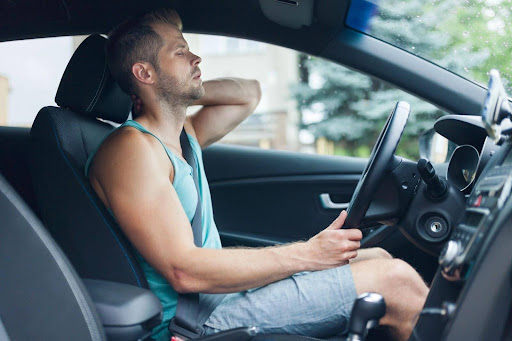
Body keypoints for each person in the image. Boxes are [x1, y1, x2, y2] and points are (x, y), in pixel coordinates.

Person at [86, 8, 428, 341]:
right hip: (191, 322)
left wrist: (175, 92)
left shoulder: (183, 135)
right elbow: (183, 271)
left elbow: (247, 94)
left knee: (379, 257)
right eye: (180, 51)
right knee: (394, 280)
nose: (196, 58)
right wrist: (308, 253)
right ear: (145, 73)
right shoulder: (130, 150)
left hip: (218, 298)